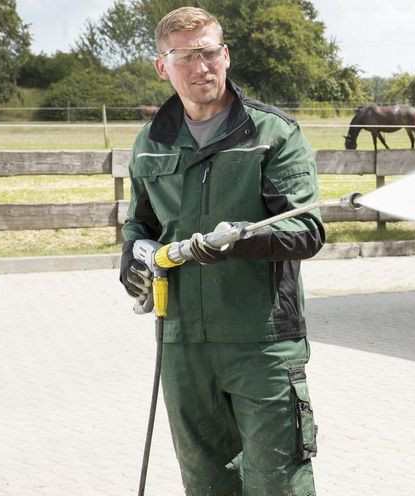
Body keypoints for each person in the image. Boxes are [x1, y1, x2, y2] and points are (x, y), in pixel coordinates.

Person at [118, 6, 324, 495]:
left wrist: (236, 240)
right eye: (184, 55)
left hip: (263, 342)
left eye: (209, 52)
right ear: (162, 66)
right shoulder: (151, 143)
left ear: (226, 56)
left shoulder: (273, 134)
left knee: (277, 482)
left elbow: (307, 229)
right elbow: (140, 224)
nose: (200, 65)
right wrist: (132, 256)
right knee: (206, 483)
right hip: (182, 342)